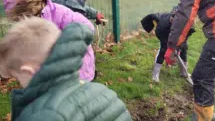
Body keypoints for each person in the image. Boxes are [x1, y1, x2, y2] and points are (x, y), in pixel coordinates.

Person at [0, 17, 132, 121]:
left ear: (28, 72)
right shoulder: (100, 90)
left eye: (17, 78)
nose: (19, 85)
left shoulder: (43, 115)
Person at [3, 0, 96, 81]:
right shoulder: (31, 24)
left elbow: (87, 28)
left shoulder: (60, 13)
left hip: (76, 68)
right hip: (54, 72)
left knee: (76, 93)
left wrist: (65, 46)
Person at [141, 6, 195, 83]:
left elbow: (185, 38)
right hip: (163, 32)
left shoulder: (188, 24)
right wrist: (171, 48)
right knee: (164, 49)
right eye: (173, 20)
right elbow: (167, 42)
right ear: (171, 19)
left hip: (180, 32)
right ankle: (155, 74)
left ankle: (183, 72)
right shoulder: (163, 25)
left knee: (184, 48)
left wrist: (179, 47)